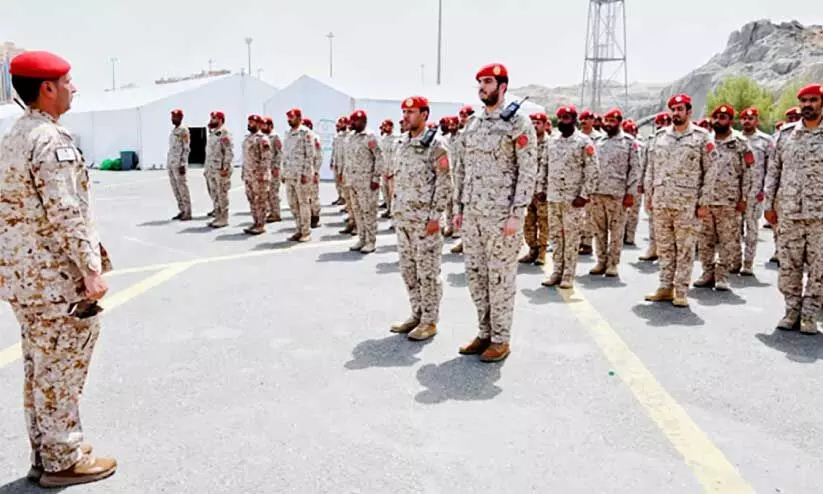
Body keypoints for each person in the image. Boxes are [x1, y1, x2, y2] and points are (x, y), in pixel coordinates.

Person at [0, 50, 117, 488]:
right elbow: (65, 210)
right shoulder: (51, 140)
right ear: (47, 89)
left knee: (39, 366)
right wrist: (90, 269)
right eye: (68, 82)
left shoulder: (15, 135)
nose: (74, 89)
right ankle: (62, 458)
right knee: (62, 367)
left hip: (26, 279)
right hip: (54, 279)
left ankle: (47, 451)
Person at [454, 63, 537, 362]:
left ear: (502, 86)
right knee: (476, 276)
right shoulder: (473, 124)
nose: (482, 87)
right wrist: (459, 208)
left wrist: (518, 213)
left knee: (500, 278)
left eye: (488, 81)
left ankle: (501, 339)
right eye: (479, 82)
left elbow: (528, 170)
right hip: (474, 215)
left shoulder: (518, 123)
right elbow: (461, 168)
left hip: (502, 217)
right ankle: (484, 332)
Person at [389, 96, 452, 341]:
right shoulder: (401, 143)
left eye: (411, 112)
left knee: (428, 273)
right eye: (404, 112)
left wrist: (436, 217)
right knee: (408, 270)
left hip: (426, 221)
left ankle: (429, 321)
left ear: (425, 115)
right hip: (404, 218)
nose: (406, 116)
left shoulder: (437, 144)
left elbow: (445, 183)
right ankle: (416, 313)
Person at [764, 83, 823, 334]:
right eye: (804, 101)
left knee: (819, 267)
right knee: (789, 266)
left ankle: (810, 315)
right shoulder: (785, 135)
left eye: (813, 100)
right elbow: (773, 172)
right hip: (789, 212)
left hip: (820, 215)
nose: (807, 105)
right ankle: (791, 311)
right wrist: (768, 204)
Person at [643, 94, 710, 307]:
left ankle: (681, 291)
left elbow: (711, 172)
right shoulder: (660, 136)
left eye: (680, 109)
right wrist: (649, 196)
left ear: (689, 112)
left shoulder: (702, 137)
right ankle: (665, 287)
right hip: (662, 202)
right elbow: (651, 168)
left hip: (687, 204)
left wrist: (704, 202)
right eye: (673, 109)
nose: (676, 113)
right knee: (664, 248)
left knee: (685, 248)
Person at [538, 105, 599, 289]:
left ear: (574, 119)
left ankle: (568, 275)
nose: (563, 120)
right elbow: (544, 165)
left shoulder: (584, 142)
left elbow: (593, 170)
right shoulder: (553, 140)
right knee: (556, 237)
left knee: (571, 238)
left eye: (567, 117)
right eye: (561, 117)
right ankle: (556, 271)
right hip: (554, 197)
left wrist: (584, 195)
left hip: (573, 200)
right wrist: (541, 188)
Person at [692, 104, 751, 292]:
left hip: (729, 200)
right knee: (705, 239)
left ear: (730, 121)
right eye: (716, 117)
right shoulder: (704, 140)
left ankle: (722, 275)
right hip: (706, 200)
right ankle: (707, 272)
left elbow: (748, 174)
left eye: (723, 117)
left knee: (728, 240)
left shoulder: (740, 143)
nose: (719, 120)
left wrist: (744, 199)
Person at [588, 108, 639, 278]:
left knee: (616, 231)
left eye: (612, 121)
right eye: (607, 121)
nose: (608, 124)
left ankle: (613, 264)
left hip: (617, 195)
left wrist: (630, 193)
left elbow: (634, 169)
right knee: (599, 230)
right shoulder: (598, 141)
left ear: (619, 122)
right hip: (597, 193)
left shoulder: (629, 142)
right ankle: (601, 261)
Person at [344, 109, 384, 254]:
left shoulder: (370, 137)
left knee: (369, 212)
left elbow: (379, 158)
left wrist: (376, 178)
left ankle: (371, 241)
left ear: (363, 122)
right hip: (353, 182)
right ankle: (362, 238)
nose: (352, 123)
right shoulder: (351, 137)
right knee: (358, 212)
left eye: (354, 121)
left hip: (367, 183)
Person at [739, 107, 771, 276]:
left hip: (755, 193)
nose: (747, 121)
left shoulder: (765, 141)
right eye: (744, 118)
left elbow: (771, 168)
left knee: (752, 229)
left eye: (751, 119)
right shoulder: (735, 139)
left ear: (756, 121)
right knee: (734, 229)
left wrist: (764, 191)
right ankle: (734, 260)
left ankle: (748, 262)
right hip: (736, 193)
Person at [638, 111, 673, 262]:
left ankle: (668, 252)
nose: (662, 126)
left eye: (665, 123)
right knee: (653, 219)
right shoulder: (652, 140)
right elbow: (645, 163)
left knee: (671, 222)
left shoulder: (674, 139)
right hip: (654, 185)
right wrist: (641, 183)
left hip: (672, 187)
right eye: (660, 123)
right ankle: (653, 248)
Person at [519, 112, 551, 266]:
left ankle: (542, 253)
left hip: (543, 191)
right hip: (527, 190)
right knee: (528, 222)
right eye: (532, 122)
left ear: (545, 125)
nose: (535, 125)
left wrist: (544, 189)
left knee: (543, 221)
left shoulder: (551, 144)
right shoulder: (526, 142)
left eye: (538, 122)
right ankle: (532, 249)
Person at [282, 108, 316, 242]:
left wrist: (306, 173)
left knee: (303, 203)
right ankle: (298, 229)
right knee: (292, 204)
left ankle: (306, 231)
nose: (289, 119)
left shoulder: (305, 133)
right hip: (290, 174)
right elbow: (285, 155)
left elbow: (310, 155)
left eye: (291, 117)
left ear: (298, 118)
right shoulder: (288, 134)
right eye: (288, 117)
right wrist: (283, 173)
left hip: (301, 175)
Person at [241, 115, 273, 235]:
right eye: (249, 122)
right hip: (249, 175)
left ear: (259, 124)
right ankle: (255, 222)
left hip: (259, 176)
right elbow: (246, 158)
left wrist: (262, 174)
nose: (250, 124)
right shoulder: (247, 138)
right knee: (251, 200)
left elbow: (266, 159)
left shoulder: (263, 139)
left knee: (260, 201)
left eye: (252, 122)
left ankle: (261, 224)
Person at [205, 110, 234, 228]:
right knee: (214, 193)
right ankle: (217, 216)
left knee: (222, 193)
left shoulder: (224, 133)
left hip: (220, 169)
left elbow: (228, 152)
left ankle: (224, 218)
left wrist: (225, 167)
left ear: (221, 120)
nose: (212, 120)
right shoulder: (213, 133)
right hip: (211, 169)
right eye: (212, 118)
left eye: (215, 119)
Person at [166, 109, 191, 221]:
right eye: (172, 117)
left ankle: (188, 212)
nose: (173, 119)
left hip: (179, 164)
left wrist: (183, 163)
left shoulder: (183, 131)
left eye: (175, 117)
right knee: (175, 188)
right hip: (171, 163)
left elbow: (186, 148)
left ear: (181, 117)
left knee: (182, 188)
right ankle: (181, 210)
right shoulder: (174, 130)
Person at [622, 119, 643, 246]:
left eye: (633, 130)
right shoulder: (622, 144)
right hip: (623, 183)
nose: (630, 133)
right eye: (627, 130)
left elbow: (644, 165)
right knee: (623, 211)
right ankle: (621, 234)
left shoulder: (641, 146)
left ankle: (630, 236)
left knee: (634, 212)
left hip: (637, 183)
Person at [261, 117, 283, 223]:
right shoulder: (262, 137)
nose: (262, 127)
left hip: (273, 168)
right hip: (265, 168)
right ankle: (270, 212)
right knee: (266, 192)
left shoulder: (275, 137)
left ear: (270, 126)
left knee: (273, 192)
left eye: (264, 125)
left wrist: (277, 167)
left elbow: (279, 153)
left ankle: (276, 213)